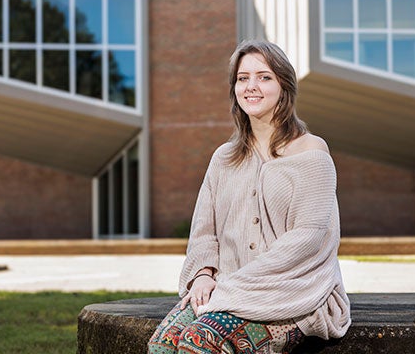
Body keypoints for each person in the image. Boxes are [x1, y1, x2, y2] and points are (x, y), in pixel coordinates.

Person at [148, 40, 351, 353]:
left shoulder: (312, 154)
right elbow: (205, 230)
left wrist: (231, 287)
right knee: (163, 345)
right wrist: (202, 275)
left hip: (292, 293)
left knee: (198, 344)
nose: (251, 86)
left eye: (264, 77)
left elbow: (306, 239)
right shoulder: (224, 158)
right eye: (243, 78)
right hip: (225, 288)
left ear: (285, 86)